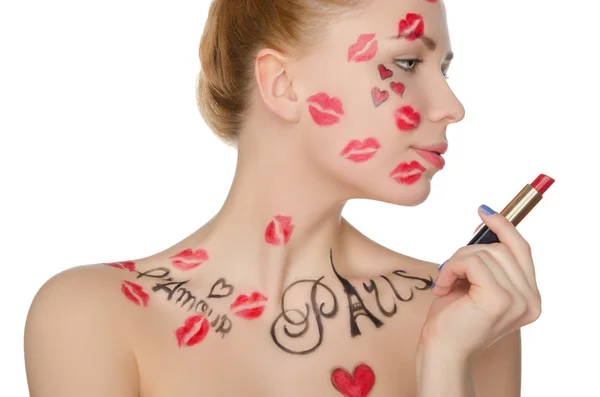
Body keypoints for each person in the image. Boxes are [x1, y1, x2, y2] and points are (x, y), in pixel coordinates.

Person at [24, 0, 542, 395]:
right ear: (283, 85)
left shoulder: (467, 316)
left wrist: (445, 359)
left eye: (443, 69)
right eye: (407, 63)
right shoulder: (89, 315)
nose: (452, 106)